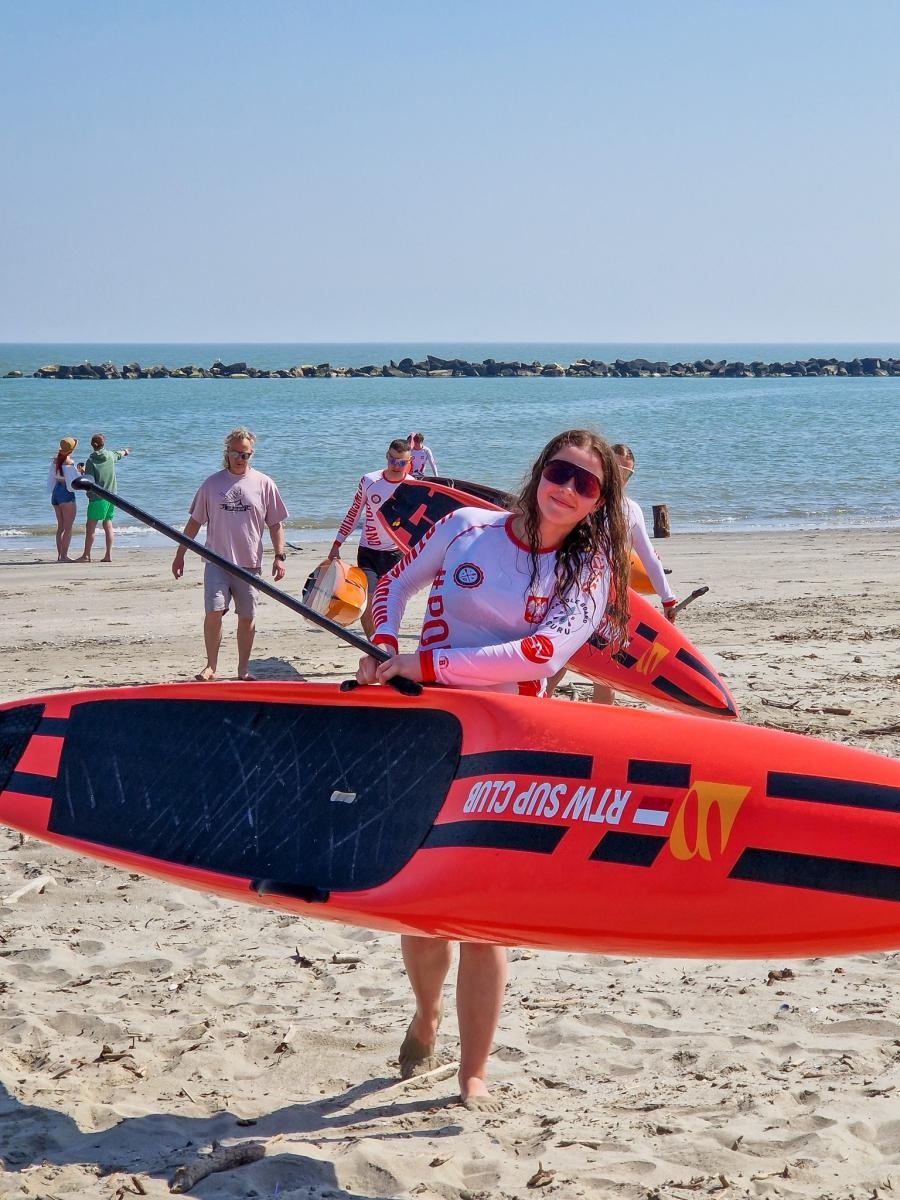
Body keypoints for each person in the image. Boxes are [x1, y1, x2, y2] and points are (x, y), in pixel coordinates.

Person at [356, 429, 630, 1109]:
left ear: (600, 501)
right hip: (424, 728)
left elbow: (539, 654)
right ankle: (425, 1015)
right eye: (560, 472)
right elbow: (391, 584)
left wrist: (431, 665)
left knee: (484, 922)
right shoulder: (465, 527)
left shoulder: (588, 572)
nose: (566, 489)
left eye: (585, 485)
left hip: (511, 745)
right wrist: (384, 646)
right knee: (419, 910)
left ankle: (471, 1073)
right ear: (541, 470)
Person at [171, 427, 288, 681]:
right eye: (235, 453)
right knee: (214, 611)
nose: (239, 458)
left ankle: (243, 668)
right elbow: (194, 523)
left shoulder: (264, 483)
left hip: (250, 564)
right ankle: (210, 665)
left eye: (244, 454)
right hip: (217, 562)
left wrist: (280, 557)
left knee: (247, 617)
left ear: (251, 455)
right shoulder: (212, 484)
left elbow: (276, 524)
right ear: (227, 452)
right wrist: (180, 554)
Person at [328, 439, 413, 637]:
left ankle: (386, 645)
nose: (396, 465)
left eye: (401, 462)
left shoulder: (413, 486)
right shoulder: (369, 481)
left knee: (389, 604)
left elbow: (416, 527)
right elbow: (353, 514)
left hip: (396, 554)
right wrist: (336, 544)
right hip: (368, 552)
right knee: (369, 600)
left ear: (408, 462)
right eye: (392, 460)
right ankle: (374, 648)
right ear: (387, 456)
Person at [75, 433, 131, 562]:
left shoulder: (91, 461)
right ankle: (108, 555)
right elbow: (119, 454)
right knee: (108, 525)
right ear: (103, 444)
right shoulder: (110, 455)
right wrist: (125, 451)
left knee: (90, 528)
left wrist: (81, 472)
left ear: (92, 445)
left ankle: (86, 555)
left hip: (97, 497)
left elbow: (89, 480)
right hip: (112, 496)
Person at [48, 436, 82, 562]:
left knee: (60, 527)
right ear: (71, 450)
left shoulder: (56, 460)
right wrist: (81, 471)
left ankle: (60, 555)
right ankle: (64, 556)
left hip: (55, 492)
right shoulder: (69, 462)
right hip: (65, 493)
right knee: (68, 527)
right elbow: (75, 482)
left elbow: (55, 477)